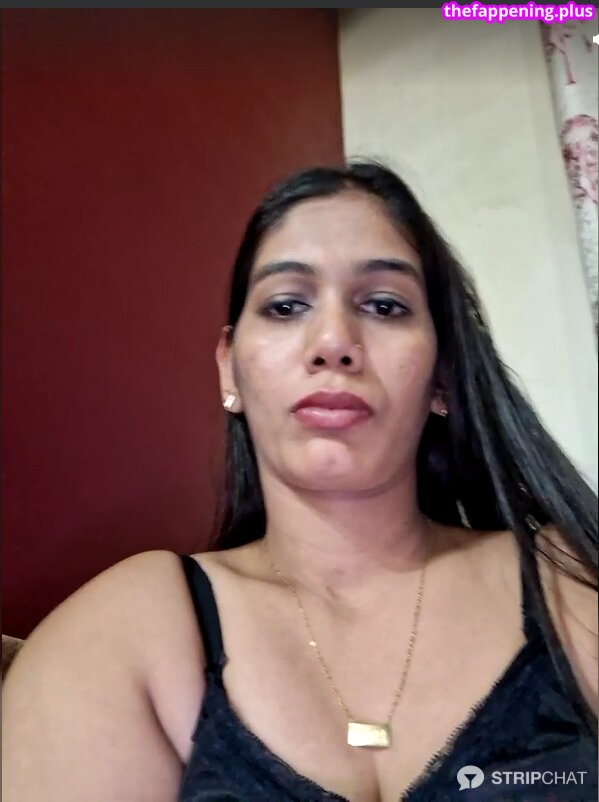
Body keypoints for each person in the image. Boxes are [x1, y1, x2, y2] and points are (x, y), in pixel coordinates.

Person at [2, 161, 597, 802]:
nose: (334, 341)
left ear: (443, 376)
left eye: (384, 305)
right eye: (286, 306)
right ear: (229, 369)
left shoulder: (567, 581)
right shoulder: (131, 630)